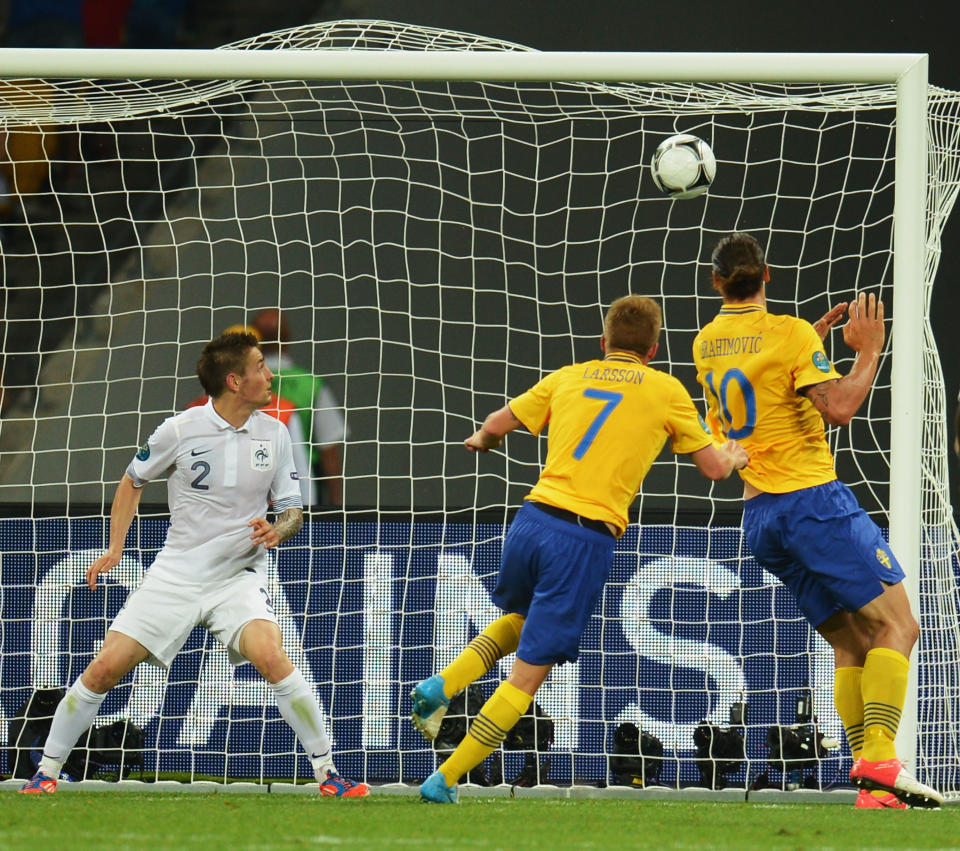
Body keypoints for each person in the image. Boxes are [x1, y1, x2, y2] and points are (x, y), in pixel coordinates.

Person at [410, 294, 749, 803]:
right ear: (654, 349)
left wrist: (482, 438)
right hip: (583, 537)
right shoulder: (666, 390)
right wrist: (732, 452)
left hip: (530, 521)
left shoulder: (570, 375)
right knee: (527, 678)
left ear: (603, 342)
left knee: (523, 620)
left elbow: (499, 423)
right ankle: (446, 779)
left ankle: (442, 685)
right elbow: (714, 469)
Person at [19, 330, 368, 797]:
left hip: (237, 577)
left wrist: (277, 529)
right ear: (233, 381)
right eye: (260, 367)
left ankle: (328, 775)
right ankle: (46, 772)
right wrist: (115, 548)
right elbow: (132, 480)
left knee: (272, 657)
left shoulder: (276, 432)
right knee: (104, 669)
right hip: (177, 575)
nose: (269, 376)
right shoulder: (180, 429)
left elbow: (292, 510)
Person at [692, 231, 942, 810]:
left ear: (716, 283)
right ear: (769, 275)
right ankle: (881, 760)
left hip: (759, 517)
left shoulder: (707, 341)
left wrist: (815, 351)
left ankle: (871, 789)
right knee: (898, 629)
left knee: (852, 644)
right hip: (812, 503)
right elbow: (841, 408)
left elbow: (762, 384)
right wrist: (868, 350)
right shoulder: (791, 334)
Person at [186, 324, 317, 507]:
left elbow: (300, 475)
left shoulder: (282, 413)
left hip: (267, 522)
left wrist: (304, 523)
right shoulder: (193, 414)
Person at [251, 309, 346, 507]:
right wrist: (337, 504)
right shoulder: (310, 385)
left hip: (251, 490)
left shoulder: (240, 382)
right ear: (287, 338)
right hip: (301, 490)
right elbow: (329, 450)